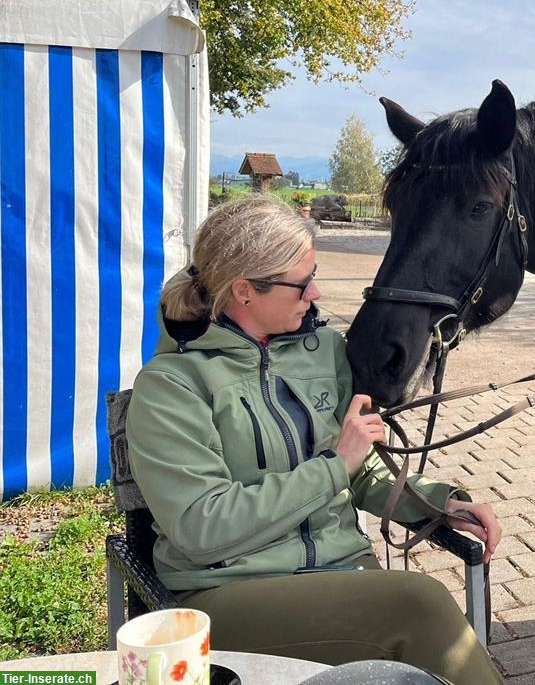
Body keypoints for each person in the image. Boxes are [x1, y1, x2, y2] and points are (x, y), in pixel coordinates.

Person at [127, 196, 503, 684]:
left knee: (415, 638)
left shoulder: (323, 351)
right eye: (302, 283)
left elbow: (359, 471)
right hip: (228, 592)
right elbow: (202, 528)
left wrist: (438, 502)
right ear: (244, 291)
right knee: (418, 605)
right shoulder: (172, 386)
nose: (316, 292)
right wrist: (332, 465)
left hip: (344, 576)